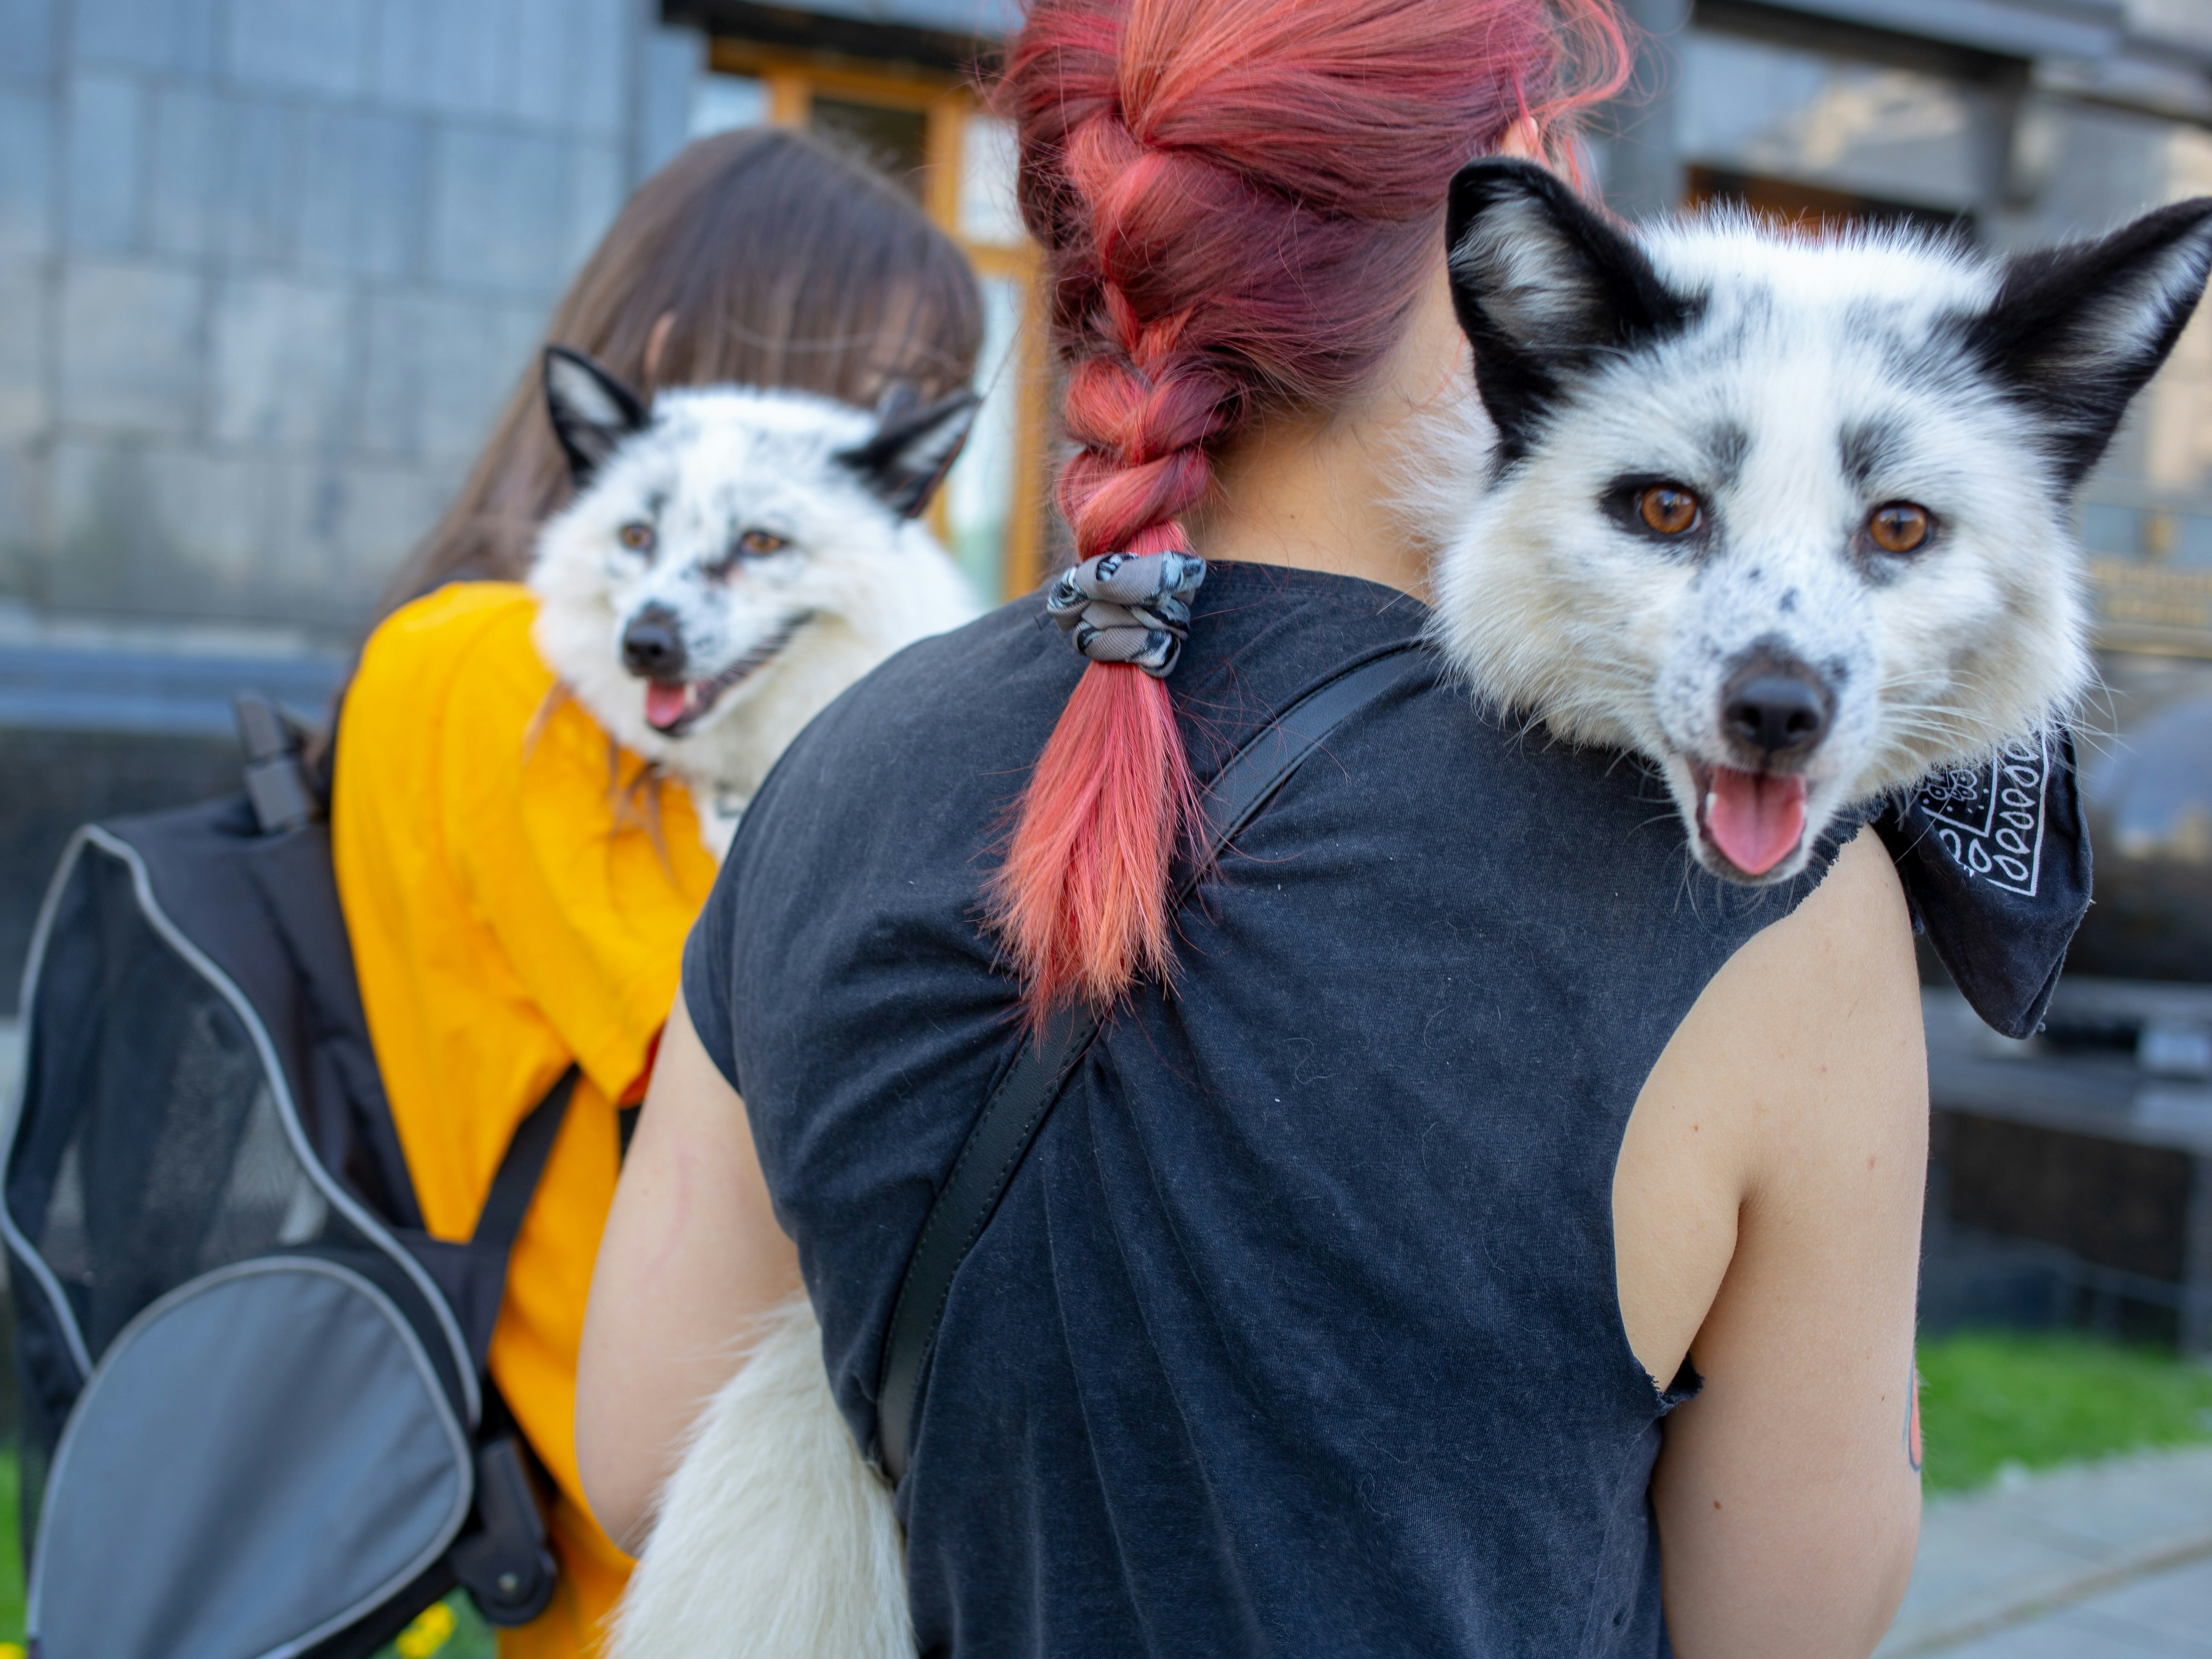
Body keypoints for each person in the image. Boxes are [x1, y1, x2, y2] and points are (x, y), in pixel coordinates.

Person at [577, 4, 1929, 1654]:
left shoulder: (833, 762)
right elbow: (1791, 1620)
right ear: (1505, 214)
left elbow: (645, 1462)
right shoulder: (1760, 892)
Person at [331, 128, 981, 1658]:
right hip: (681, 1568)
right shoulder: (496, 667)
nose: (899, 465)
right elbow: (775, 1071)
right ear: (690, 370)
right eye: (874, 383)